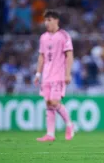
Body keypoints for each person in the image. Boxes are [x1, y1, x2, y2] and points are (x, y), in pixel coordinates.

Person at [34, 10, 74, 142]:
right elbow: (41, 56)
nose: (47, 23)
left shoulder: (63, 35)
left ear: (56, 20)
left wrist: (67, 74)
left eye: (49, 20)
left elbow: (69, 55)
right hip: (46, 75)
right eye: (45, 20)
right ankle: (50, 134)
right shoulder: (43, 37)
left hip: (59, 75)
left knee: (54, 102)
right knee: (48, 104)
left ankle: (69, 124)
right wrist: (38, 73)